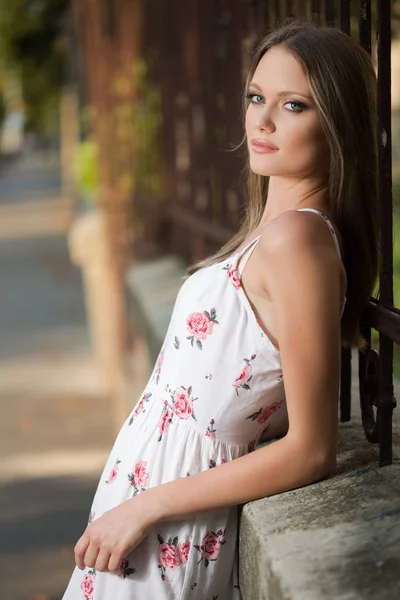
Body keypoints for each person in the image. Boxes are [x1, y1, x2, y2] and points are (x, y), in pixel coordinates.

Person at [62, 19, 378, 600]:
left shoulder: (297, 244)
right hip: (142, 516)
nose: (261, 119)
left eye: (293, 106)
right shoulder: (272, 233)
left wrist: (146, 507)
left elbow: (312, 449)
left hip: (166, 527)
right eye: (257, 97)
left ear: (336, 123)